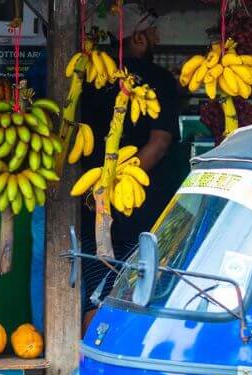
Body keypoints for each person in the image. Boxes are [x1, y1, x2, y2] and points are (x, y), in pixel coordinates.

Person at [80, 4, 181, 331]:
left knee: (97, 294)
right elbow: (160, 142)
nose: (158, 37)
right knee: (142, 297)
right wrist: (122, 182)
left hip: (94, 206)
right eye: (153, 31)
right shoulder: (159, 80)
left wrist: (107, 186)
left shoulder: (90, 79)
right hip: (142, 210)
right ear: (138, 36)